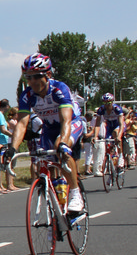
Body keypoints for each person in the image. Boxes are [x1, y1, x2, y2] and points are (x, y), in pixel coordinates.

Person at [9, 53, 87, 213]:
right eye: (28, 77)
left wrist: (63, 143)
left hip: (71, 123)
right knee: (45, 162)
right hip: (49, 128)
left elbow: (66, 120)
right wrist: (12, 149)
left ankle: (75, 193)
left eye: (37, 76)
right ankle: (56, 200)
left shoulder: (59, 89)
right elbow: (22, 124)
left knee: (61, 148)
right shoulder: (27, 95)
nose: (32, 81)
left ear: (48, 74)